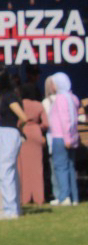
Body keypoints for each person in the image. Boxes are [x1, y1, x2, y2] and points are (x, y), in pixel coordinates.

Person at [0, 66, 27, 219]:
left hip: (9, 133)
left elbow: (23, 117)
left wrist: (18, 128)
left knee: (5, 172)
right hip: (4, 132)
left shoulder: (9, 97)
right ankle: (13, 207)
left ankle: (10, 209)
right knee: (8, 171)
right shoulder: (3, 96)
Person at [46, 73, 79, 205]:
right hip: (71, 137)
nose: (51, 86)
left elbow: (65, 119)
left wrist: (66, 138)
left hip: (61, 137)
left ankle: (64, 196)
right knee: (70, 166)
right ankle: (74, 197)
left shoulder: (60, 98)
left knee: (60, 167)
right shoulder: (72, 97)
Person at [18, 81, 48, 205]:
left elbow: (17, 122)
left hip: (22, 133)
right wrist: (37, 127)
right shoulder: (39, 105)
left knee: (22, 167)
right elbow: (46, 124)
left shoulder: (19, 105)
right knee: (37, 168)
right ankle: (39, 197)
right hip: (36, 133)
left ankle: (24, 197)